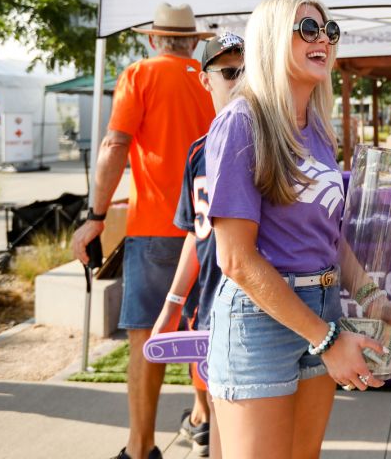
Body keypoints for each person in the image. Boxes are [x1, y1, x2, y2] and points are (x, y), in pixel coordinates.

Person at [203, 0, 385, 459]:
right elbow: (236, 260)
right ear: (269, 39)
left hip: (321, 305)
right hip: (259, 319)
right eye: (307, 29)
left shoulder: (318, 129)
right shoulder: (241, 123)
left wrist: (370, 297)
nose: (322, 38)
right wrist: (326, 340)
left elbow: (329, 234)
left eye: (328, 31)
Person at [70, 2, 217, 459]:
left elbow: (115, 145)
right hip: (212, 225)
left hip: (155, 225)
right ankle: (205, 421)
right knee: (207, 330)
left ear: (154, 39)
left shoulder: (138, 75)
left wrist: (95, 216)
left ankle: (140, 447)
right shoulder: (217, 77)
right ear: (193, 41)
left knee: (146, 338)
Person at [151, 31, 246, 459]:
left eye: (248, 71)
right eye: (229, 72)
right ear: (205, 79)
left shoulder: (272, 140)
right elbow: (196, 230)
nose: (241, 80)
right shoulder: (198, 153)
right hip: (209, 303)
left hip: (261, 306)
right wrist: (172, 304)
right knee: (217, 414)